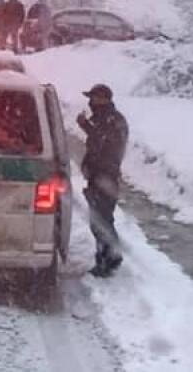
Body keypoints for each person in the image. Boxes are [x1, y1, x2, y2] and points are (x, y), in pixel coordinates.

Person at [76, 84, 129, 277]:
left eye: (93, 98)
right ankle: (106, 258)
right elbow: (98, 142)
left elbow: (105, 145)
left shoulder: (114, 121)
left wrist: (87, 126)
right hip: (98, 177)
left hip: (105, 178)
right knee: (99, 220)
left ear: (103, 99)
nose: (90, 102)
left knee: (102, 220)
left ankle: (110, 259)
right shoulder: (103, 119)